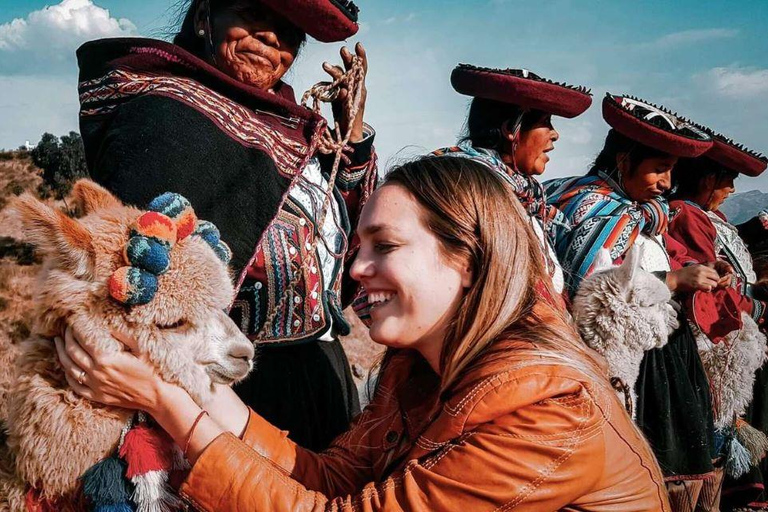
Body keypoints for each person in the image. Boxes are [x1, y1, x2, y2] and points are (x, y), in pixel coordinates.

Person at [56, 156, 671, 511]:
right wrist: (196, 389)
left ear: (468, 261)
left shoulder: (546, 411)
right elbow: (331, 477)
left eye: (386, 246)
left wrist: (162, 401)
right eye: (356, 247)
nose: (355, 269)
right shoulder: (418, 371)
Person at [76, 0, 376, 451]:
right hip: (218, 379)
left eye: (290, 32)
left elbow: (345, 246)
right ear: (205, 17)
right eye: (253, 13)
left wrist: (351, 137)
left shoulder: (295, 133)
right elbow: (131, 286)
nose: (272, 37)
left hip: (320, 370)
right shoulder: (165, 118)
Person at [546, 94, 724, 511]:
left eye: (670, 171)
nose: (665, 183)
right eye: (658, 169)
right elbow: (590, 286)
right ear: (624, 161)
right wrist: (675, 279)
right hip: (627, 363)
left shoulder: (637, 211)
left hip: (658, 353)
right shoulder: (596, 206)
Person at [667, 131, 768, 511]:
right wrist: (757, 309)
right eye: (726, 180)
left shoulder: (713, 218)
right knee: (712, 429)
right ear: (707, 179)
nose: (729, 189)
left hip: (736, 327)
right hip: (710, 338)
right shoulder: (687, 214)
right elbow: (708, 285)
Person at [432, 64, 592, 295]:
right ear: (511, 129)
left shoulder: (526, 198)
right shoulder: (470, 189)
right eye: (545, 122)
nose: (555, 134)